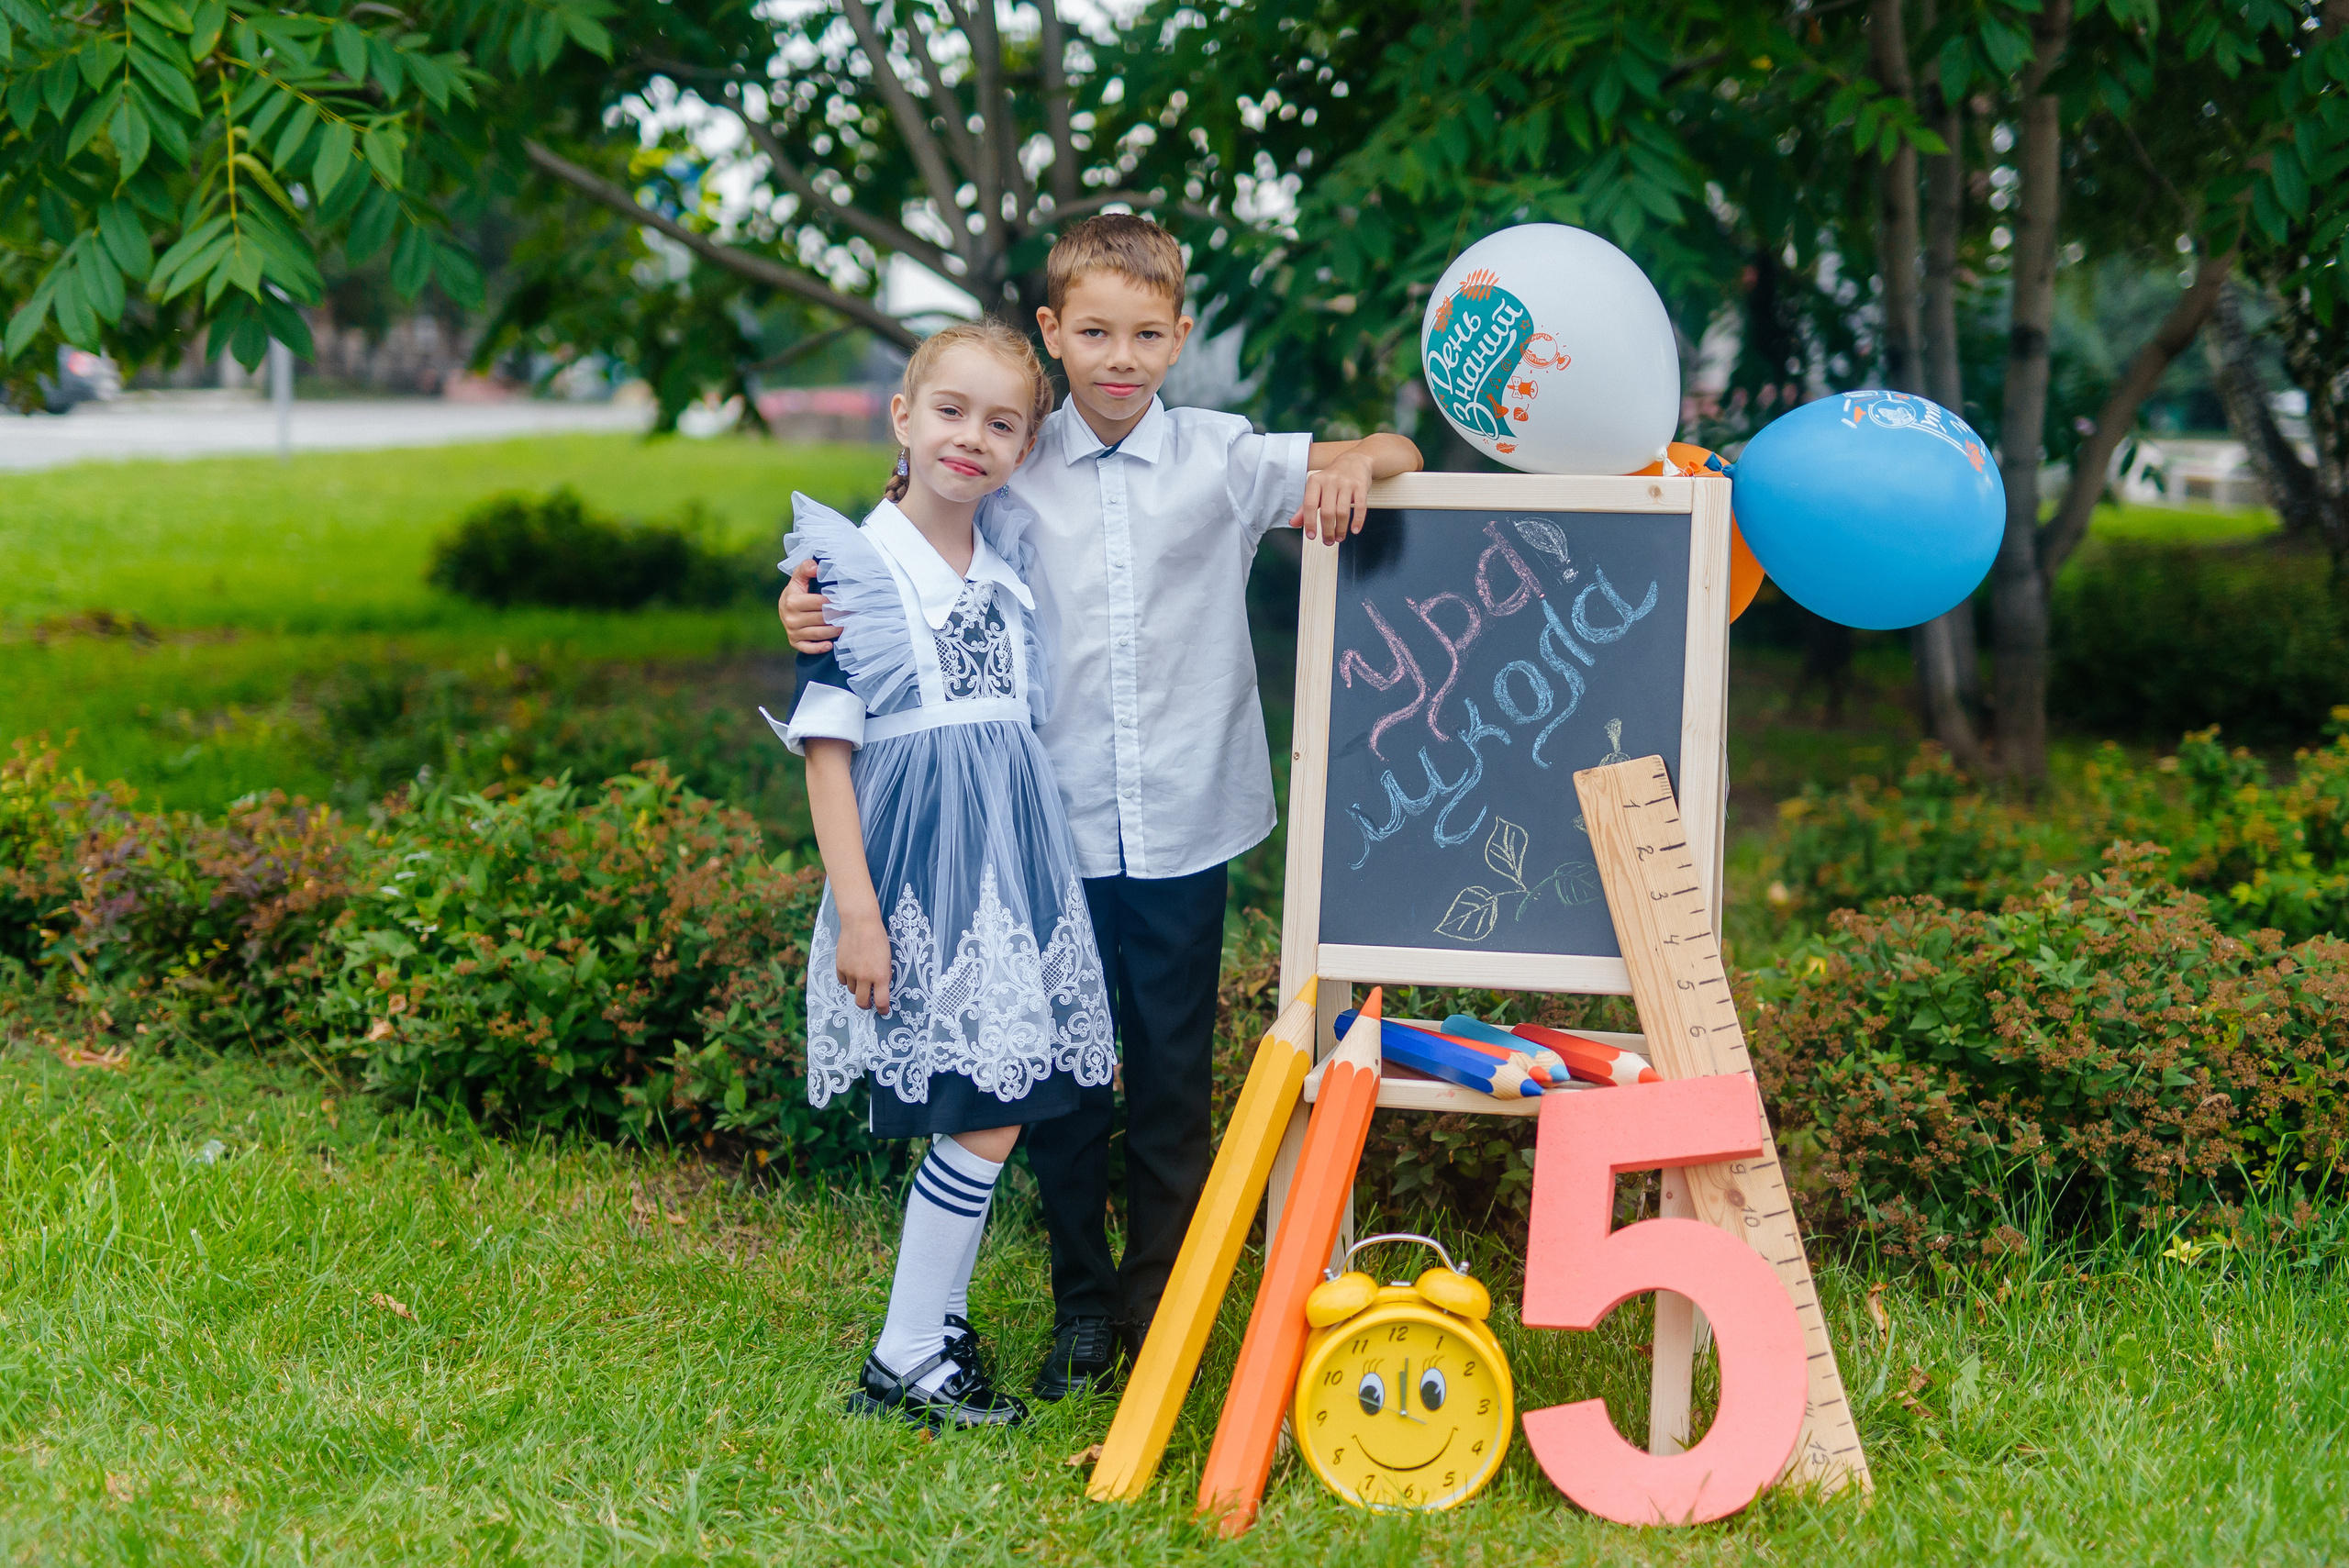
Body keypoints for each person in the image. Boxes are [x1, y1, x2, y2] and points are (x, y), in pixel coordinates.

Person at [783, 216, 1424, 1401]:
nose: (1119, 357)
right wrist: (808, 599)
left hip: (1188, 817)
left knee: (1172, 1076)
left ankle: (1157, 1313)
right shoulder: (1016, 463)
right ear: (1053, 335)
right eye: (1093, 333)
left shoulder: (1223, 459)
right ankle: (1081, 1309)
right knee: (1062, 1085)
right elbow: (915, 515)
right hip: (1050, 830)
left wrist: (1352, 465)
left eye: (1144, 334)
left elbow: (1396, 447)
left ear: (1179, 337)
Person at [764, 317, 1114, 1430]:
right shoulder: (850, 571)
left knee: (989, 1089)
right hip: (922, 870)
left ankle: (937, 1323)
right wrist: (857, 913)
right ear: (903, 418)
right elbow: (829, 754)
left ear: (1025, 446)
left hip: (1012, 862)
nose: (972, 437)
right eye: (951, 411)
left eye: (1002, 423)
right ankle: (906, 1352)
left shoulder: (999, 563)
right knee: (985, 1105)